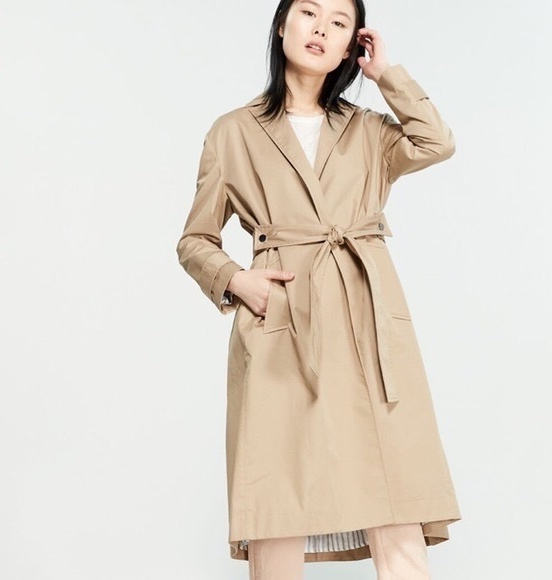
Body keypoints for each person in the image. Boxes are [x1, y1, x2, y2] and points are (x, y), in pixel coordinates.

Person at [176, 0, 462, 578]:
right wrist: (237, 280)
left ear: (351, 45)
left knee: (394, 491)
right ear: (282, 24)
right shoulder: (233, 131)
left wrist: (387, 75)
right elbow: (195, 240)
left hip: (366, 315)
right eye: (309, 12)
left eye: (339, 22)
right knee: (277, 497)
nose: (321, 29)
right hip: (283, 320)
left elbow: (436, 141)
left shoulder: (368, 129)